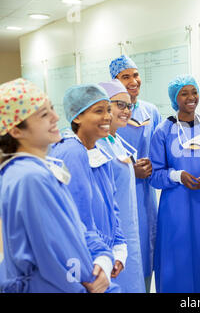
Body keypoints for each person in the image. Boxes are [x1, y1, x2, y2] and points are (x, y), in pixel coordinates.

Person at [0, 78, 119, 293]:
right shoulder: (29, 178)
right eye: (44, 115)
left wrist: (103, 258)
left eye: (52, 109)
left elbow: (76, 228)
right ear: (16, 131)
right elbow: (55, 259)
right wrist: (90, 283)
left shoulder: (42, 168)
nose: (56, 117)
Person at [49, 84, 127, 284]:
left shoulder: (99, 151)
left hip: (101, 255)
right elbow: (77, 220)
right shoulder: (71, 153)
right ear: (77, 117)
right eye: (98, 111)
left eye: (108, 110)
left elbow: (112, 206)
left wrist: (118, 248)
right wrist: (100, 257)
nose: (107, 117)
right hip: (84, 259)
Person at [149, 74, 200, 293]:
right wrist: (178, 176)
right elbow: (155, 175)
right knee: (176, 260)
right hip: (175, 209)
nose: (191, 97)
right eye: (184, 93)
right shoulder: (163, 131)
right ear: (174, 98)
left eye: (194, 92)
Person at [110, 55, 162, 289]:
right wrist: (132, 171)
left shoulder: (151, 111)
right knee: (128, 249)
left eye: (135, 74)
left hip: (146, 196)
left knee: (147, 246)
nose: (133, 81)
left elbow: (160, 150)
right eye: (125, 76)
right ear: (115, 82)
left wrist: (154, 166)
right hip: (120, 194)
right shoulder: (110, 116)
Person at [96, 79, 146, 293]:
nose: (127, 111)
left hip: (128, 234)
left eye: (129, 106)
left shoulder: (115, 142)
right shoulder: (97, 146)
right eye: (120, 105)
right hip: (111, 236)